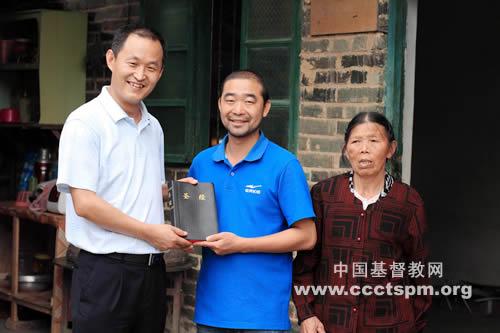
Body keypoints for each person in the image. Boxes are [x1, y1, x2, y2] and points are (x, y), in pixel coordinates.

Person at [56, 24, 192, 333]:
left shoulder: (153, 126)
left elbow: (134, 191)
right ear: (111, 59)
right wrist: (149, 233)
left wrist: (172, 192)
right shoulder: (85, 123)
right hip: (106, 273)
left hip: (151, 273)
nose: (140, 75)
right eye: (133, 63)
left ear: (161, 72)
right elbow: (86, 204)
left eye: (152, 67)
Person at [184, 70, 316, 332]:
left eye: (249, 100)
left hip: (263, 315)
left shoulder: (284, 165)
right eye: (230, 100)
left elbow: (307, 236)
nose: (238, 109)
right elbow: (195, 231)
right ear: (220, 104)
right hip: (212, 312)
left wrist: (241, 245)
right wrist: (182, 211)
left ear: (265, 108)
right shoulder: (202, 162)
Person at [292, 112, 431, 333]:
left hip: (390, 323)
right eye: (356, 141)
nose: (364, 148)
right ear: (346, 149)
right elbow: (306, 264)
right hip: (331, 324)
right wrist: (307, 314)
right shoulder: (325, 195)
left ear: (391, 148)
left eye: (374, 141)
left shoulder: (408, 201)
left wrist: (416, 325)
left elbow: (419, 270)